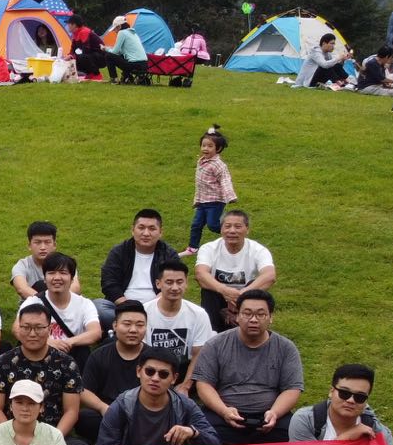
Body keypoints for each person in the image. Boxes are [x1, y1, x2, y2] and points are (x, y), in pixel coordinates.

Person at [192, 289, 304, 445]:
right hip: (223, 414)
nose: (253, 319)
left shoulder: (286, 348)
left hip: (270, 416)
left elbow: (292, 389)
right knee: (203, 435)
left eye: (261, 314)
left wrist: (274, 413)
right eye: (247, 313)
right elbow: (204, 385)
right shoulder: (215, 344)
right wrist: (224, 411)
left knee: (294, 433)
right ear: (237, 316)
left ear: (271, 317)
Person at [0, 303, 86, 445]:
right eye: (26, 327)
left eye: (39, 328)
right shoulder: (3, 362)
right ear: (19, 329)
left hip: (53, 434)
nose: (32, 334)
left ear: (50, 329)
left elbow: (71, 411)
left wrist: (53, 440)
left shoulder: (66, 363)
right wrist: (10, 438)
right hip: (12, 435)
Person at [95, 350, 222, 445]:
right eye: (149, 372)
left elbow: (215, 443)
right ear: (139, 371)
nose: (155, 378)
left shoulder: (185, 405)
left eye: (163, 374)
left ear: (174, 378)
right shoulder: (120, 406)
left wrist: (193, 432)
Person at [77, 300, 148, 444]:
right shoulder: (99, 355)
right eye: (127, 324)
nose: (133, 330)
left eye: (140, 325)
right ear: (115, 325)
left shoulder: (153, 357)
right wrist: (103, 407)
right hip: (108, 410)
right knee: (84, 418)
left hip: (143, 411)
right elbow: (84, 391)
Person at [97, 209, 182, 327]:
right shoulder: (119, 252)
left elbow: (173, 284)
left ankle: (127, 325)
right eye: (141, 228)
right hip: (122, 305)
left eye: (152, 229)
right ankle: (137, 324)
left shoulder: (169, 254)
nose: (146, 233)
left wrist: (150, 307)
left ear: (160, 232)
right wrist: (128, 307)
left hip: (156, 307)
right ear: (133, 230)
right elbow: (109, 283)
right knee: (98, 306)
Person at [194, 210, 276, 332]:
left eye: (238, 226)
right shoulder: (209, 248)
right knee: (208, 288)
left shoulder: (258, 250)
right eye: (227, 226)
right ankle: (211, 332)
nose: (232, 231)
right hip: (217, 296)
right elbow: (200, 274)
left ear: (247, 229)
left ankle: (249, 327)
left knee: (255, 287)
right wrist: (224, 291)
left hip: (246, 295)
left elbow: (270, 275)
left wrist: (242, 294)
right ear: (221, 229)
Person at [22, 252, 101, 366]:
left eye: (63, 273)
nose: (57, 278)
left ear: (72, 279)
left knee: (83, 351)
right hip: (40, 355)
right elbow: (17, 328)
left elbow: (95, 332)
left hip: (71, 356)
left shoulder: (84, 304)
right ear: (44, 278)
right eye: (51, 273)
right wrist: (47, 342)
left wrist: (68, 342)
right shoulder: (33, 302)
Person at [143, 260, 214, 387]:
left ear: (186, 283)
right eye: (169, 282)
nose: (175, 288)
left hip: (185, 370)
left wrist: (185, 386)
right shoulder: (144, 312)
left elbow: (199, 355)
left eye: (180, 282)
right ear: (158, 284)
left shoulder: (199, 314)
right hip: (151, 371)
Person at [0, 379, 67, 445]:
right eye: (19, 402)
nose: (25, 408)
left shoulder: (55, 437)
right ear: (11, 405)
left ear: (41, 407)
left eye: (31, 403)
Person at [184, 126, 236, 256]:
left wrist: (230, 196)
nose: (205, 148)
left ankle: (233, 234)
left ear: (218, 149)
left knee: (213, 225)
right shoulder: (202, 161)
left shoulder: (218, 165)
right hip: (202, 201)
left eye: (210, 146)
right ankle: (193, 247)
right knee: (196, 224)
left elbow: (225, 180)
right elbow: (200, 184)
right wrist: (197, 200)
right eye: (203, 145)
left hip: (215, 201)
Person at [10, 220, 80, 303]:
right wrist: (47, 303)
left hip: (63, 305)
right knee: (40, 285)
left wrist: (57, 303)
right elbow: (21, 289)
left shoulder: (65, 263)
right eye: (37, 242)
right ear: (29, 245)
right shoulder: (22, 265)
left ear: (54, 245)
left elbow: (75, 287)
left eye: (47, 242)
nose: (43, 247)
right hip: (32, 307)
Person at [105, 15, 147, 82]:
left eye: (115, 28)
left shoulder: (122, 33)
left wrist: (105, 49)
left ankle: (114, 79)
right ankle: (127, 77)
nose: (115, 31)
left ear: (119, 26)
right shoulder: (133, 33)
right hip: (144, 65)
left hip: (134, 65)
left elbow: (115, 52)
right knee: (121, 56)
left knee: (108, 56)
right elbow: (122, 52)